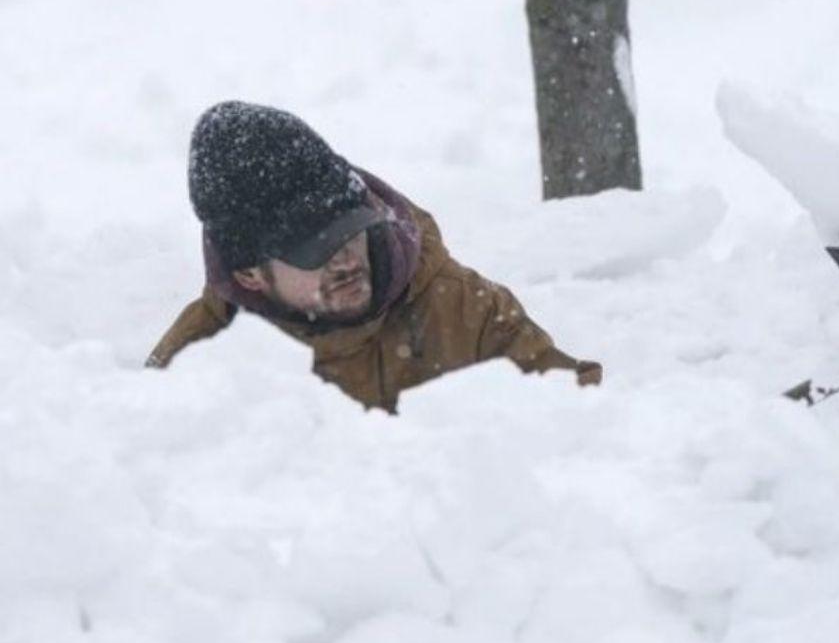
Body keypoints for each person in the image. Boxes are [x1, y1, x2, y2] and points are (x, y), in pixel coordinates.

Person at [147, 101, 601, 412]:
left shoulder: (463, 311)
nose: (344, 259)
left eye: (350, 231)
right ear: (250, 276)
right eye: (314, 251)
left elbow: (588, 422)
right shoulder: (197, 366)